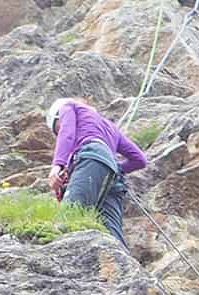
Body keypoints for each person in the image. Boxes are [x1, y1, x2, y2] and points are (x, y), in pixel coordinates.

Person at [47, 97, 147, 247]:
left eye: (57, 128)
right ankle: (122, 266)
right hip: (111, 177)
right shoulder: (109, 126)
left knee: (70, 215)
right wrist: (111, 167)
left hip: (90, 157)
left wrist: (57, 166)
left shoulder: (68, 106)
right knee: (112, 235)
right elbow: (139, 160)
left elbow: (67, 133)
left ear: (57, 117)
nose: (59, 132)